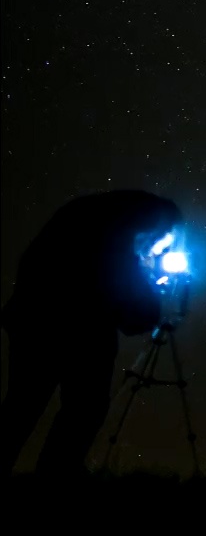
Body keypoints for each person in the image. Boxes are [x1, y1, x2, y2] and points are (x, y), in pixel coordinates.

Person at [2, 190, 183, 474]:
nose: (158, 252)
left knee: (22, 407)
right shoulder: (116, 240)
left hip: (34, 321)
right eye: (161, 243)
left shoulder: (93, 216)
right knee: (83, 409)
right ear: (152, 224)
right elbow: (135, 319)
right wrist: (149, 288)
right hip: (79, 332)